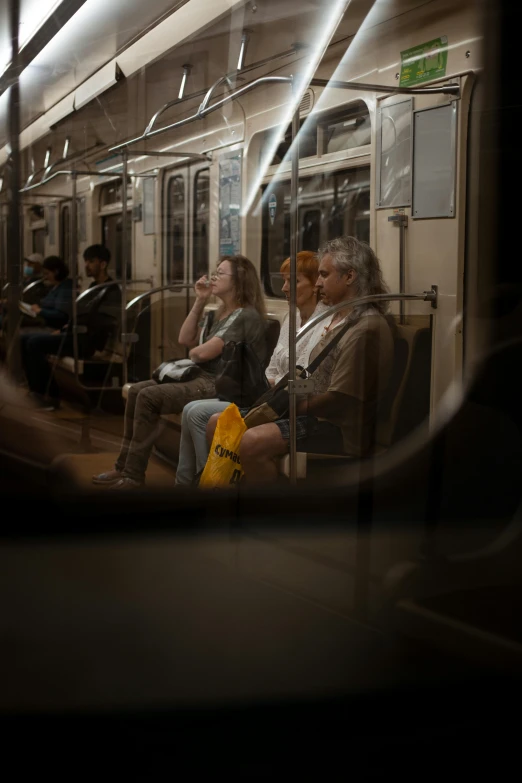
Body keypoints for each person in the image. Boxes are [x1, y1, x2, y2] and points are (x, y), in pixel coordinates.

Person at [206, 236, 395, 485]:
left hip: (338, 427)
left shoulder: (366, 328)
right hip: (309, 413)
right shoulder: (335, 319)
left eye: (324, 275)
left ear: (349, 277)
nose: (317, 283)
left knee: (251, 441)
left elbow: (339, 399)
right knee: (217, 423)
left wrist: (285, 408)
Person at [92, 255, 267, 490]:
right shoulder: (218, 312)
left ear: (239, 280)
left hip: (220, 382)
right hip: (201, 376)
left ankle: (133, 477)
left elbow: (201, 354)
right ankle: (123, 466)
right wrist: (200, 300)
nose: (213, 277)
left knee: (148, 396)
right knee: (136, 391)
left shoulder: (246, 315)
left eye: (220, 273)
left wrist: (195, 352)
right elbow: (184, 339)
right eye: (214, 272)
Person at [174, 251, 328, 486]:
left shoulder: (325, 324)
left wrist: (276, 389)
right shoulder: (291, 319)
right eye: (283, 281)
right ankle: (194, 483)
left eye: (293, 281)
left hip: (282, 401)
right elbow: (273, 369)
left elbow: (309, 377)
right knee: (193, 411)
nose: (285, 288)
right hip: (269, 394)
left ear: (316, 285)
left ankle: (210, 481)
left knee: (196, 413)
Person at [20, 245, 120, 410]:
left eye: (91, 262)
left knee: (34, 344)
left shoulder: (111, 290)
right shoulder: (94, 288)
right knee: (24, 340)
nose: (86, 265)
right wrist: (68, 327)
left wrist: (73, 327)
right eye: (85, 261)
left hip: (88, 340)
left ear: (103, 264)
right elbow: (83, 315)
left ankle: (49, 395)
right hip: (76, 334)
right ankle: (36, 391)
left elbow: (102, 321)